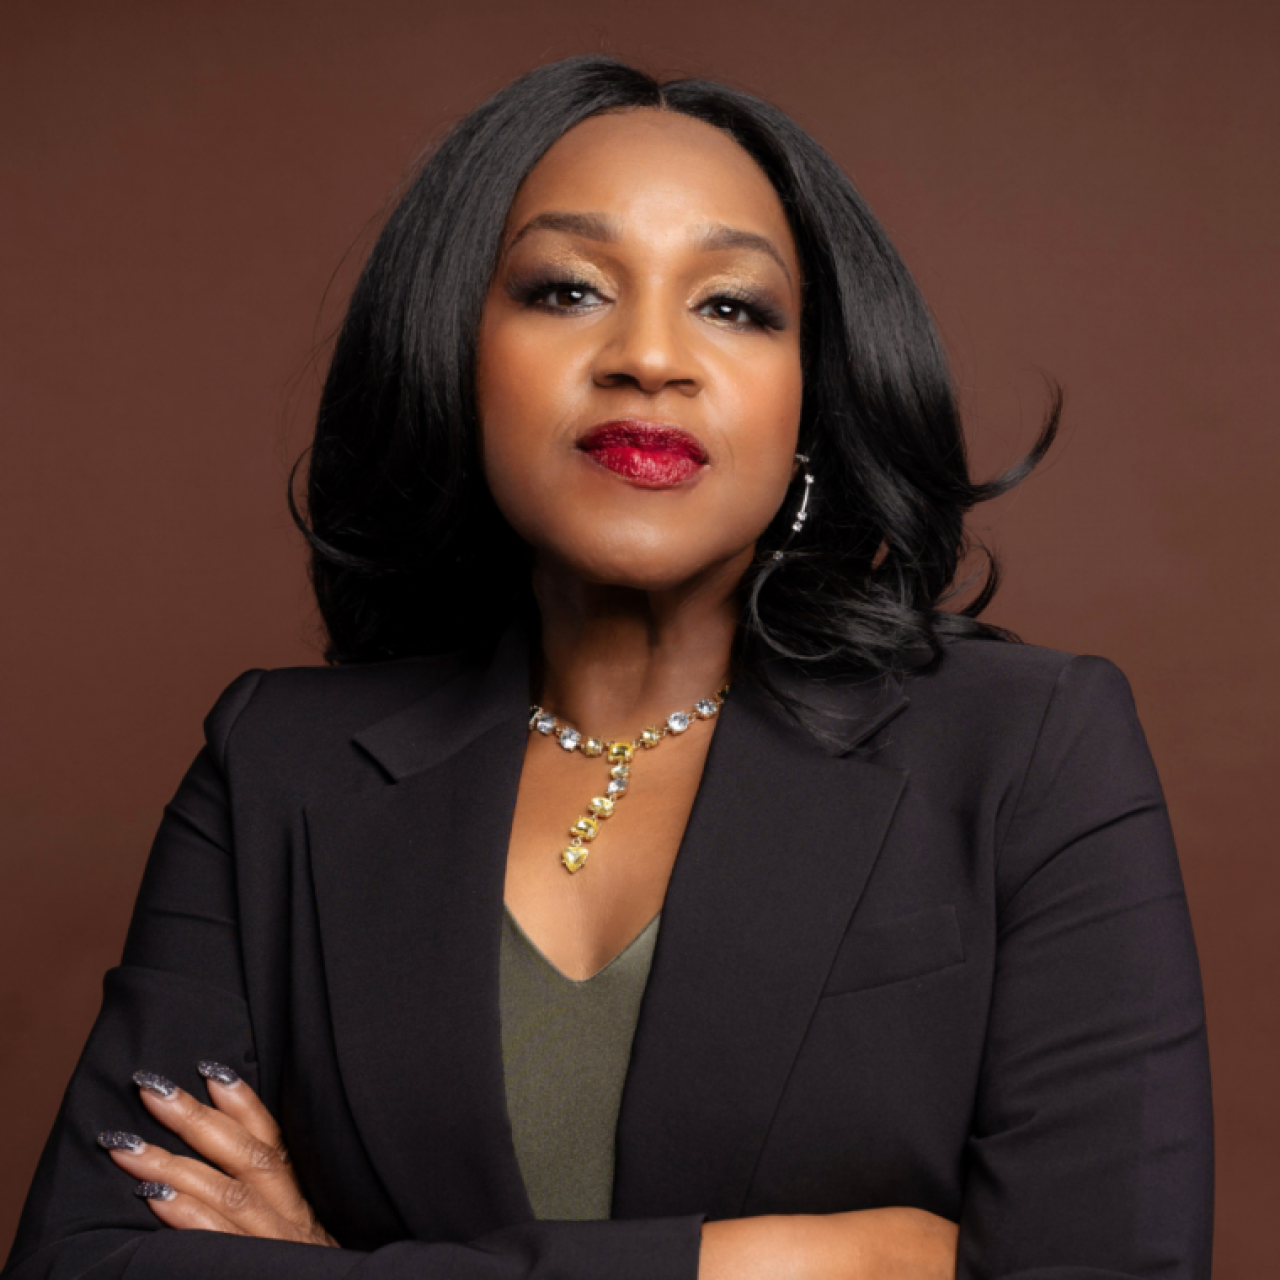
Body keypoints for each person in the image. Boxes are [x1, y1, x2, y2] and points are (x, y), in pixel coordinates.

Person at [3, 56, 1212, 1280]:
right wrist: (762, 1265)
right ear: (456, 350)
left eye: (733, 306)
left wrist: (332, 1262)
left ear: (811, 399)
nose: (649, 356)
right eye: (567, 288)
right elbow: (82, 1261)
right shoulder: (278, 763)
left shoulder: (1028, 748)